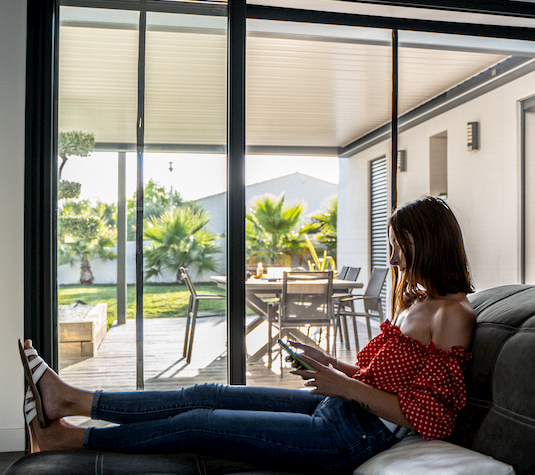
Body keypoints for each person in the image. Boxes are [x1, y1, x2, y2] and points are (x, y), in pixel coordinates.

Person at [20, 195, 476, 473]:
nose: (393, 259)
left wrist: (344, 385)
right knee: (203, 392)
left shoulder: (454, 314)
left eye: (398, 247)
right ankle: (73, 400)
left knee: (197, 424)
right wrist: (331, 365)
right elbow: (383, 380)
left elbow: (430, 418)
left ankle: (74, 439)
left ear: (424, 242)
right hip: (339, 407)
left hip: (351, 438)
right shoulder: (420, 302)